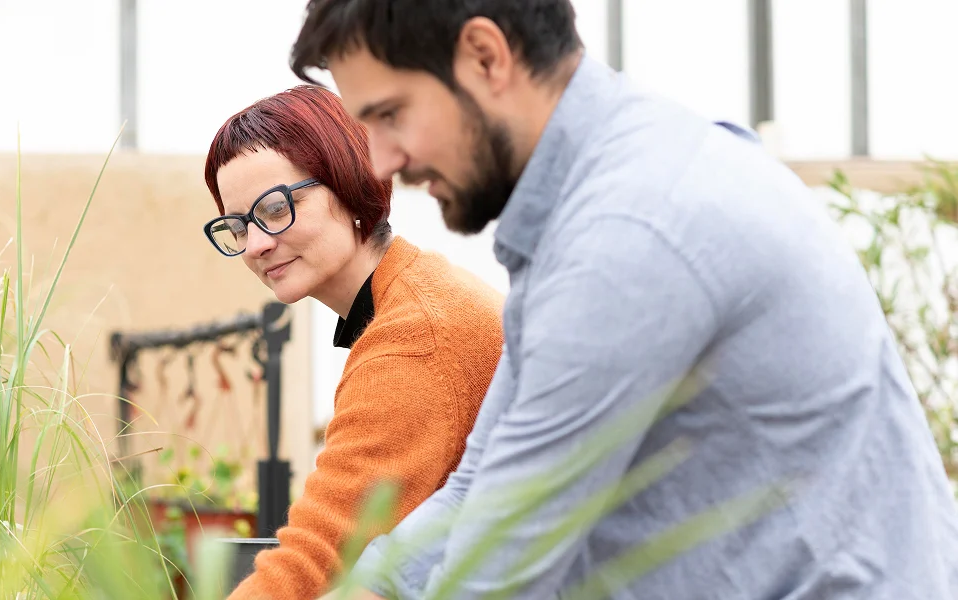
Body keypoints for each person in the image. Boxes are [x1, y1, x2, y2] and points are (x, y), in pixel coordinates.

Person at [289, 1, 958, 598]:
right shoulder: (602, 188)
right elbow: (482, 487)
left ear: (486, 56)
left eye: (390, 114)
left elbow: (502, 573)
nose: (379, 161)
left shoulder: (631, 233)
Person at [202, 85, 504, 600]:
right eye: (238, 225)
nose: (256, 244)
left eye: (275, 208)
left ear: (348, 181)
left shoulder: (415, 338)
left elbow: (318, 557)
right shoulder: (416, 293)